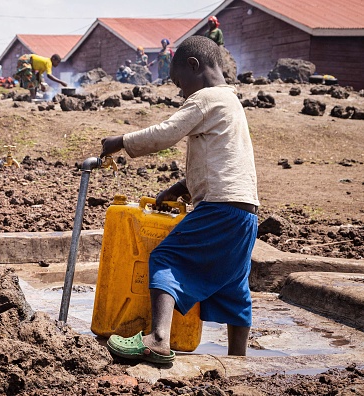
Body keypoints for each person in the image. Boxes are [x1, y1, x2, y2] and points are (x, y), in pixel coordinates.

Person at [100, 35, 259, 364]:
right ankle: (238, 359)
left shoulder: (205, 99)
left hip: (219, 207)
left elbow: (165, 133)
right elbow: (222, 161)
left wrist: (119, 141)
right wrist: (183, 186)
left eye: (178, 82)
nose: (180, 91)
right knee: (233, 284)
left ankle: (158, 338)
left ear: (193, 66)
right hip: (246, 214)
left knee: (167, 259)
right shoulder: (230, 102)